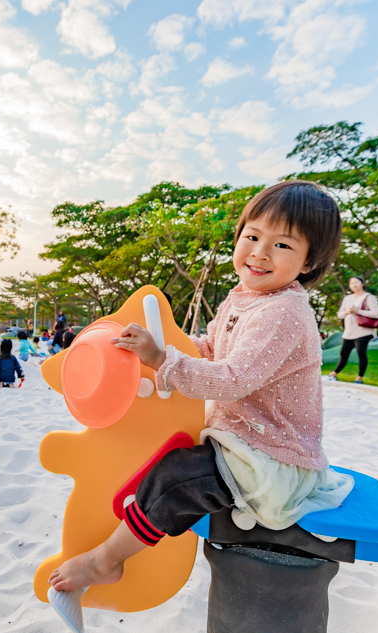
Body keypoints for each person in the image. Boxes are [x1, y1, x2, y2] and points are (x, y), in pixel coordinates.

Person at [46, 181, 354, 616]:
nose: (260, 253)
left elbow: (232, 378)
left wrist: (161, 359)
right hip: (243, 442)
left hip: (272, 458)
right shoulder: (246, 299)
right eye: (252, 236)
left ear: (311, 260)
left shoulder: (283, 313)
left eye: (282, 244)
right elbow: (209, 348)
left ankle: (106, 561)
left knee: (177, 479)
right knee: (165, 458)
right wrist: (166, 345)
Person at [328, 276, 378, 385]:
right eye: (351, 283)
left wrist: (358, 311)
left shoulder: (369, 297)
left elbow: (377, 314)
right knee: (344, 353)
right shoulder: (347, 298)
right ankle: (334, 373)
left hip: (363, 331)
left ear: (362, 283)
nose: (354, 285)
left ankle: (359, 377)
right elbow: (340, 315)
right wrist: (347, 312)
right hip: (349, 331)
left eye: (356, 282)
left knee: (361, 353)